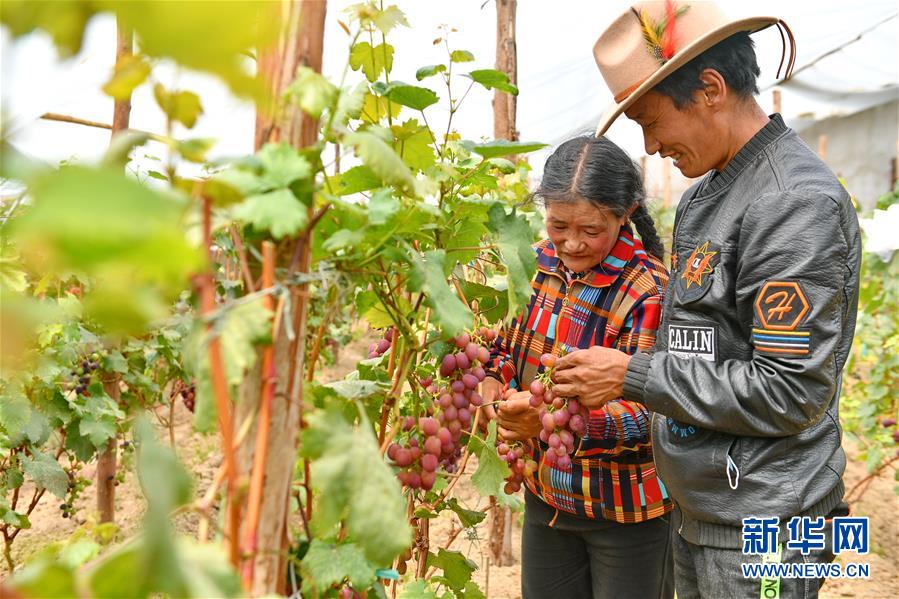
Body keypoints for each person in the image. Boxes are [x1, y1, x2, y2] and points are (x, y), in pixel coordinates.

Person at [550, 2, 862, 598]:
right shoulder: (707, 197)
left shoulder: (792, 203)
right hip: (707, 511)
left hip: (765, 529)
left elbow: (789, 391)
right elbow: (699, 350)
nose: (650, 145)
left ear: (711, 89)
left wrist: (633, 375)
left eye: (651, 120)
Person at [481, 135, 674, 599]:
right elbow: (501, 347)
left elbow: (653, 410)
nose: (571, 242)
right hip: (547, 498)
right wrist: (492, 384)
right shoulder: (533, 264)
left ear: (625, 214)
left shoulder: (649, 290)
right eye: (558, 224)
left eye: (590, 229)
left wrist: (552, 423)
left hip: (627, 513)